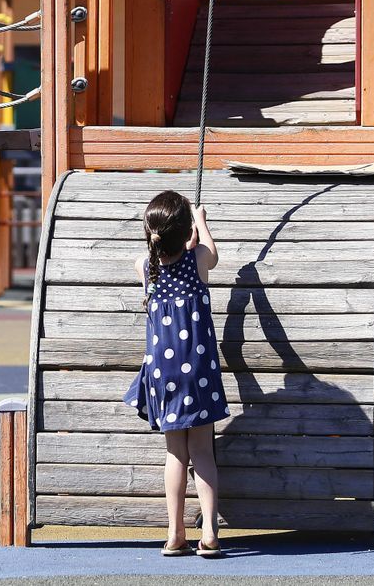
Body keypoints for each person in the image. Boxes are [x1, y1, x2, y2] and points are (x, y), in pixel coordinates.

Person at [123, 190, 229, 558]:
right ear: (187, 234)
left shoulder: (145, 267)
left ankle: (174, 533)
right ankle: (211, 533)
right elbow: (212, 255)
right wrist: (201, 220)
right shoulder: (198, 259)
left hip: (162, 373)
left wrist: (184, 234)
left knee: (175, 454)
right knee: (203, 452)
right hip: (198, 371)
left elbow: (167, 251)